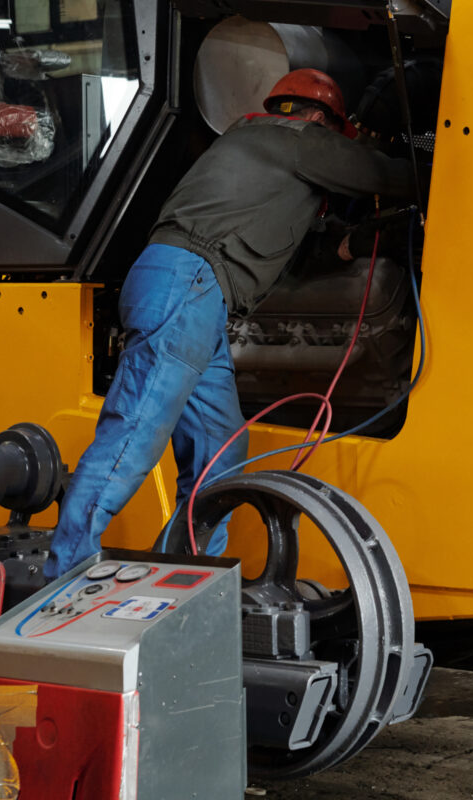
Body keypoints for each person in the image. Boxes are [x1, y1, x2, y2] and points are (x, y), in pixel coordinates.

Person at [44, 68, 414, 578]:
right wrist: (446, 153)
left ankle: (185, 573)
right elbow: (388, 176)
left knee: (221, 446)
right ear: (318, 118)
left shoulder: (248, 144)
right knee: (134, 430)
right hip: (187, 285)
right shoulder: (300, 139)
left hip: (196, 295)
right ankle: (65, 572)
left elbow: (297, 245)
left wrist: (357, 240)